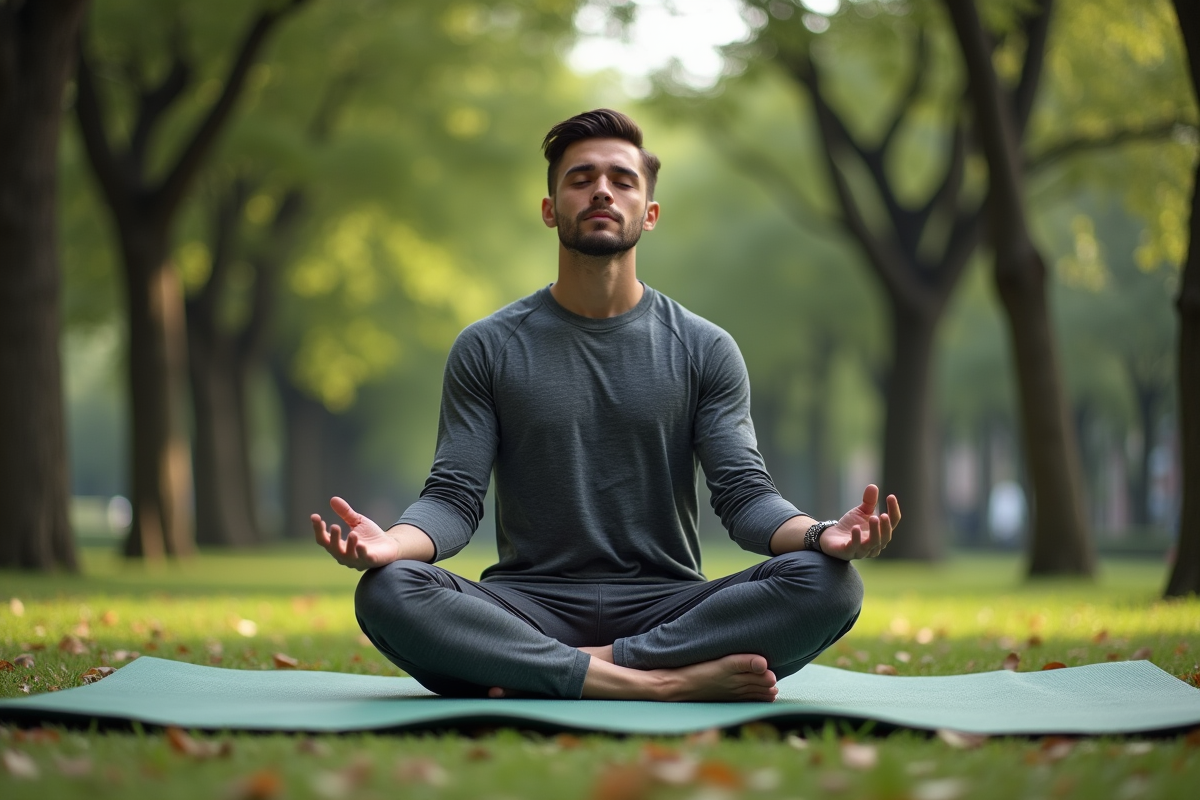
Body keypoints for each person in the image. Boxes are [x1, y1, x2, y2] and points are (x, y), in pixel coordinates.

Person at [312, 109, 900, 702]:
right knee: (387, 590)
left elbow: (746, 498)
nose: (601, 190)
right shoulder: (487, 346)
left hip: (668, 607)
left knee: (831, 585)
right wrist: (393, 543)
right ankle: (658, 684)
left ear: (649, 213)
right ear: (550, 210)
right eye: (580, 177)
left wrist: (823, 535)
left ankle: (550, 671)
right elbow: (452, 499)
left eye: (622, 180)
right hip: (526, 605)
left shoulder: (705, 348)